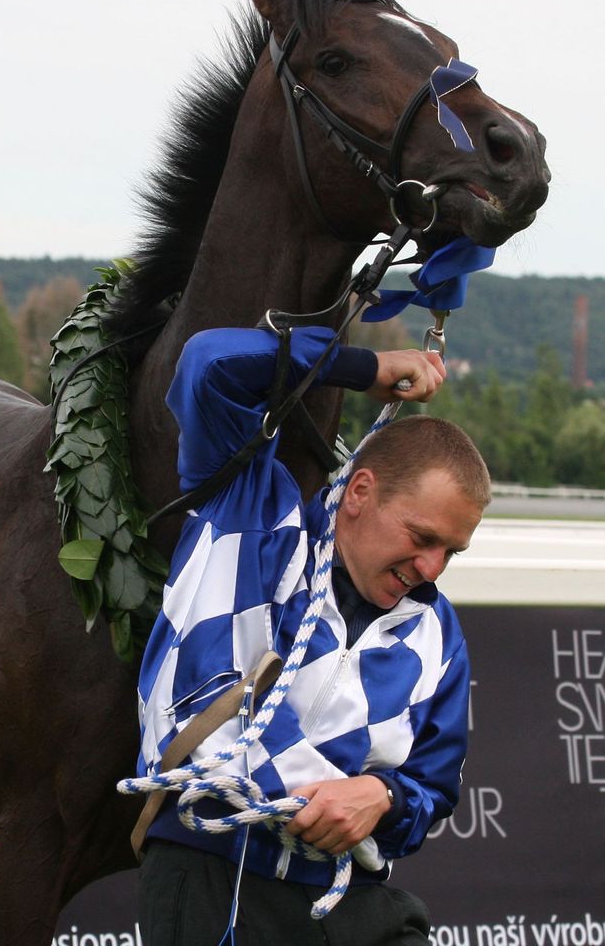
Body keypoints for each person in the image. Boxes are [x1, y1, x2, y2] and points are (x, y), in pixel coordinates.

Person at [132, 324, 491, 946]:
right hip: (217, 879)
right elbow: (209, 362)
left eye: (450, 551)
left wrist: (381, 798)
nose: (431, 568)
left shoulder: (440, 635)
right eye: (422, 537)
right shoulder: (252, 514)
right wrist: (367, 367)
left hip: (351, 899)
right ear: (359, 492)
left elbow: (432, 787)